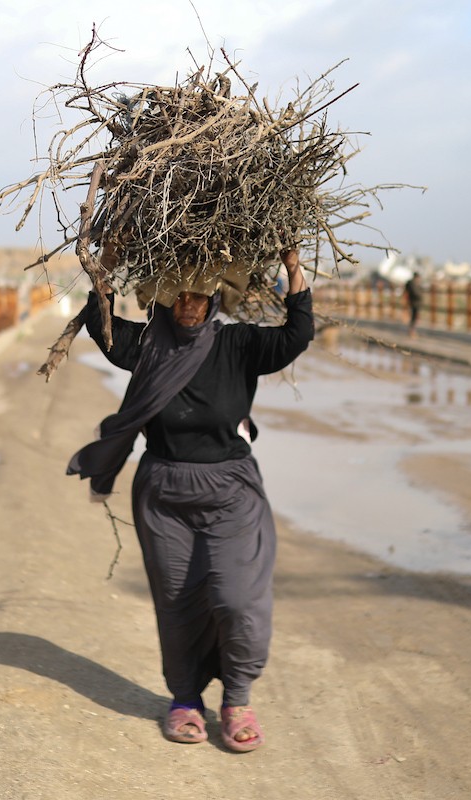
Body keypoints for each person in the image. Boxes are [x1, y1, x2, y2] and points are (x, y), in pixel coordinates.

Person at [67, 249, 313, 752]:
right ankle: (184, 699)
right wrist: (105, 266)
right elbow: (102, 321)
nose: (188, 305)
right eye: (177, 295)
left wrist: (293, 268)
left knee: (236, 599)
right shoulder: (146, 346)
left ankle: (237, 699)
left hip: (230, 492)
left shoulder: (238, 344)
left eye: (198, 295)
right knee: (178, 603)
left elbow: (296, 335)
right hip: (164, 493)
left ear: (213, 298)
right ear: (162, 298)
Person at [403, 271, 423, 336]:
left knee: (414, 317)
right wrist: (420, 295)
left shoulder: (411, 283)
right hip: (414, 302)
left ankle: (412, 331)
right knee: (414, 317)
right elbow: (416, 293)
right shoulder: (413, 284)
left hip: (413, 302)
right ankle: (412, 331)